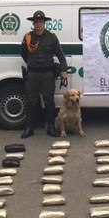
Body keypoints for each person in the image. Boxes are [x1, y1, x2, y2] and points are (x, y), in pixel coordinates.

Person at [20, 10, 68, 139]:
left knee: (49, 101)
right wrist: (31, 63)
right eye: (36, 22)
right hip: (33, 74)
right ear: (33, 23)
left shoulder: (51, 37)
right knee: (31, 101)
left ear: (44, 23)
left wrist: (64, 71)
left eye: (41, 22)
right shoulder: (28, 37)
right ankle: (29, 128)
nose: (38, 24)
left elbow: (60, 55)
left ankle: (50, 127)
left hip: (47, 74)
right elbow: (23, 53)